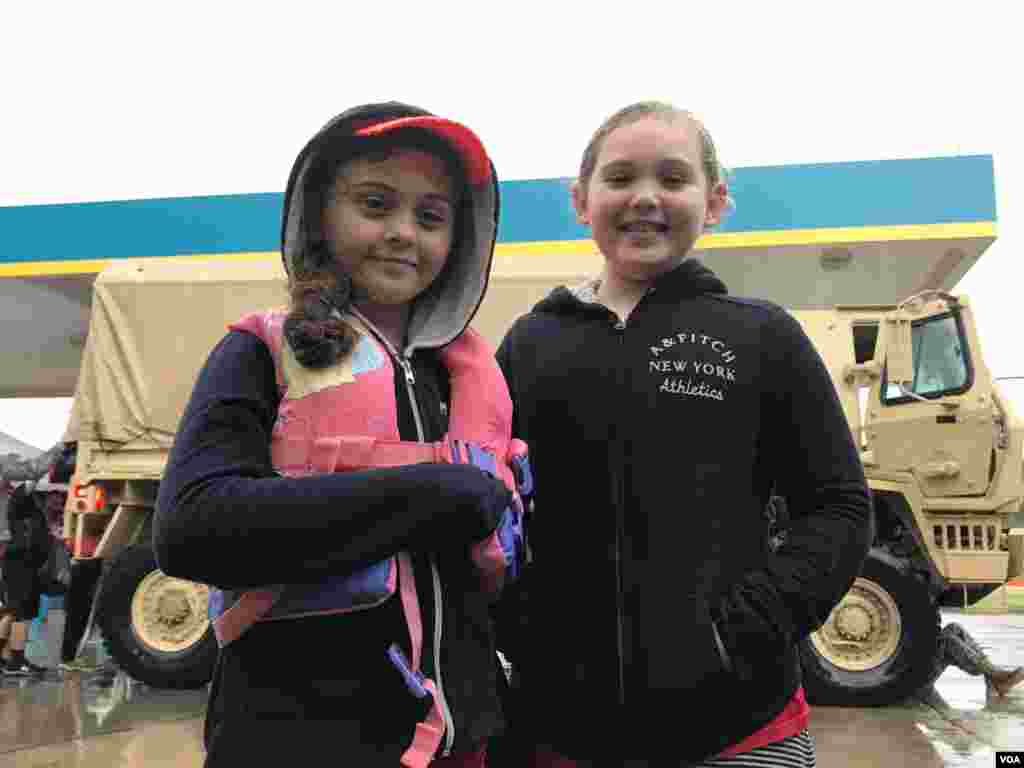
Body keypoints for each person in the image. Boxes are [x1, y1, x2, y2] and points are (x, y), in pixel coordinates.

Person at [491, 101, 873, 767]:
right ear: (581, 201)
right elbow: (494, 508)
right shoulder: (530, 343)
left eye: (672, 178)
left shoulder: (763, 336)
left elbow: (838, 507)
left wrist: (748, 626)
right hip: (559, 728)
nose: (645, 197)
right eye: (619, 179)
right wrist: (518, 630)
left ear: (715, 199)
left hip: (740, 726)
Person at [155, 102, 520, 767]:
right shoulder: (259, 351)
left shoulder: (469, 377)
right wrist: (430, 493)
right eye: (376, 205)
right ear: (321, 215)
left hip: (457, 746)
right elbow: (188, 527)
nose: (404, 233)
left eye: (431, 217)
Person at [1, 482, 49, 676]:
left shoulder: (30, 510)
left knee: (20, 614)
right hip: (18, 566)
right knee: (18, 614)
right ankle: (16, 661)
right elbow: (26, 488)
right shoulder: (17, 506)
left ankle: (15, 659)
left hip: (28, 566)